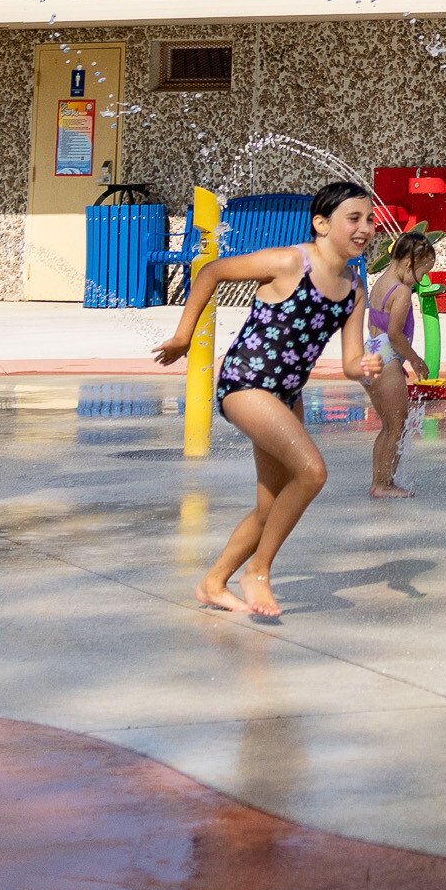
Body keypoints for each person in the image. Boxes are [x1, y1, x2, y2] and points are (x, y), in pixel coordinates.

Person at [156, 181, 382, 620]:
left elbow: (351, 360)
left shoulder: (354, 290)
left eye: (369, 219)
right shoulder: (289, 262)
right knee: (312, 472)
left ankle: (213, 581)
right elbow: (212, 272)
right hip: (246, 383)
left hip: (286, 394)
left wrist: (363, 368)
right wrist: (184, 336)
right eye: (354, 218)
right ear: (321, 223)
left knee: (270, 506)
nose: (365, 228)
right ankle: (257, 570)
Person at [358, 228, 435, 498]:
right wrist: (415, 360)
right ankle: (384, 484)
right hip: (387, 358)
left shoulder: (380, 281)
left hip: (372, 355)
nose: (421, 280)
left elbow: (374, 326)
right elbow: (394, 333)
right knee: (397, 426)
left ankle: (378, 482)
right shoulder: (401, 291)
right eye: (423, 272)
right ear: (408, 263)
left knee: (387, 427)